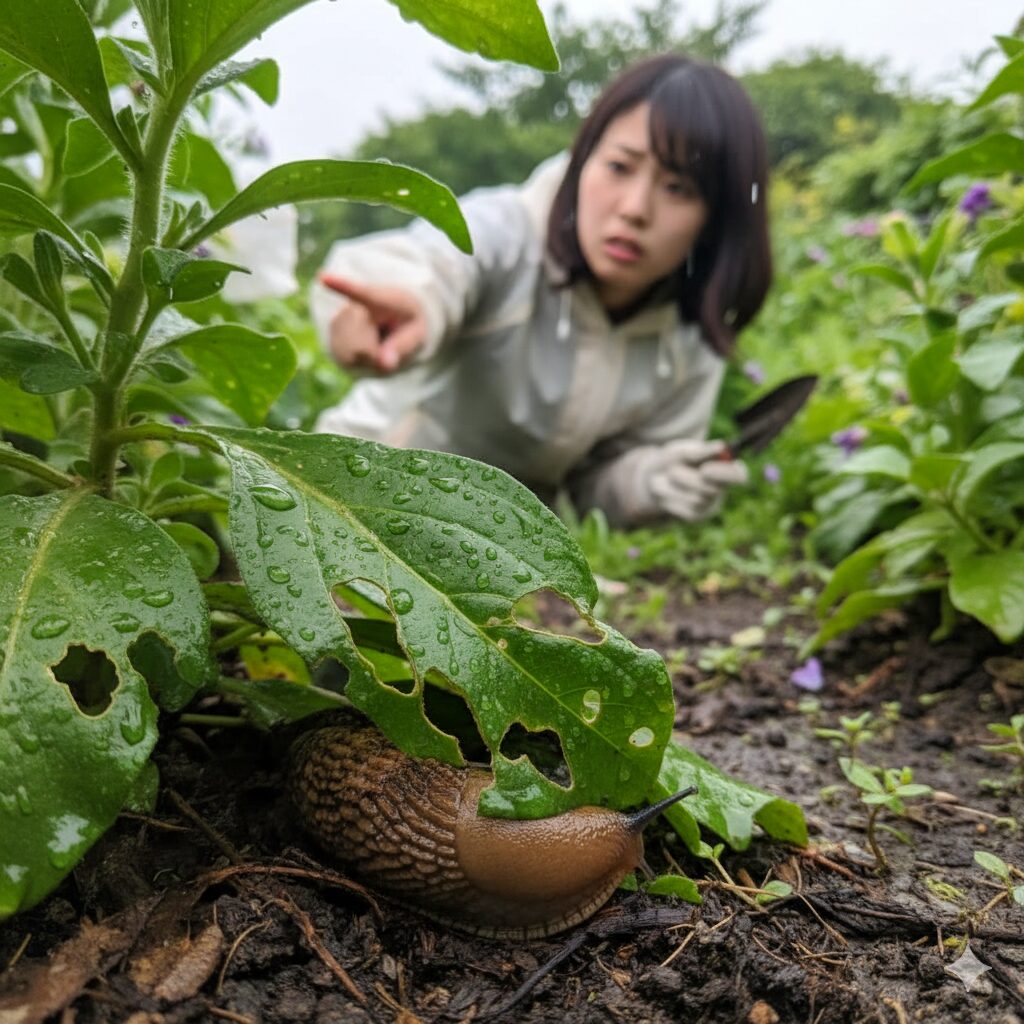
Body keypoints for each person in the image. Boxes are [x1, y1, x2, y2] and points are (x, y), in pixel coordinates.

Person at [311, 54, 772, 527]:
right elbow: (437, 266)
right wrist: (406, 304)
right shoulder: (509, 234)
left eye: (678, 188)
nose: (635, 209)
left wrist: (652, 481)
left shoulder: (690, 338)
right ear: (583, 159)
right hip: (354, 498)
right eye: (619, 166)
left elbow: (589, 490)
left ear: (718, 218)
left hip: (495, 550)